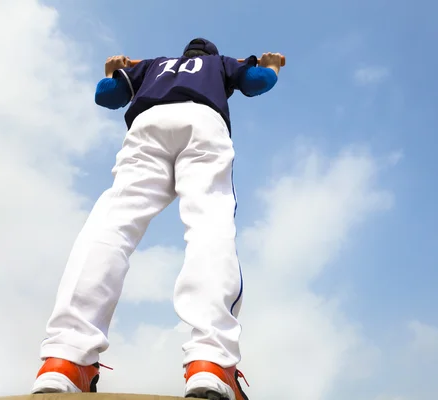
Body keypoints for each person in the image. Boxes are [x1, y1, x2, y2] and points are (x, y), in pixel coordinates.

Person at [31, 37, 283, 400]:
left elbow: (107, 95)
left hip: (147, 125)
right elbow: (259, 83)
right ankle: (210, 363)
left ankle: (66, 359)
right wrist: (271, 64)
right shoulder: (220, 64)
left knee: (112, 223)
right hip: (202, 122)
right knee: (208, 223)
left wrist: (112, 72)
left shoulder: (151, 65)